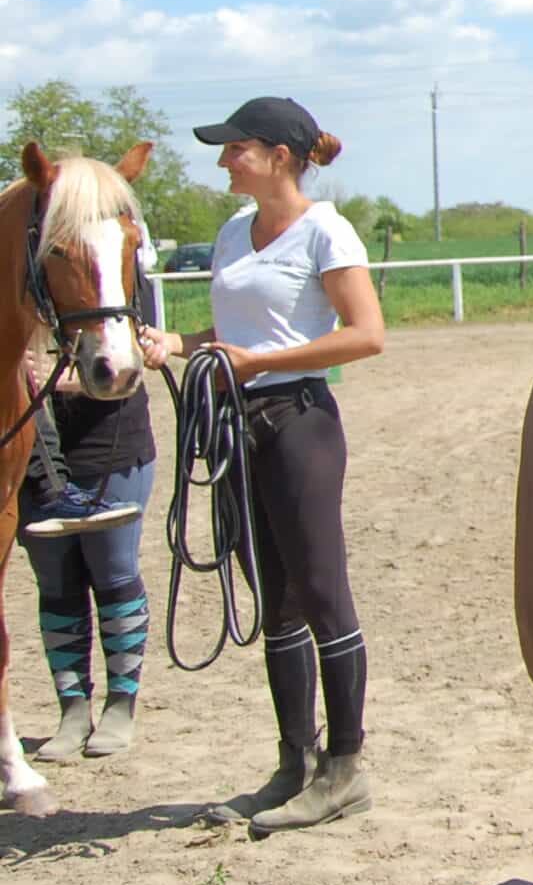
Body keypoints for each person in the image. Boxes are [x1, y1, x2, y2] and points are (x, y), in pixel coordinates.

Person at [138, 96, 387, 833]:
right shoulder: (231, 232)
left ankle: (345, 767)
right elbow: (237, 327)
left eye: (235, 148)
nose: (224, 160)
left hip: (299, 421)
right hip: (235, 424)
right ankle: (294, 762)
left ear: (280, 157)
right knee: (273, 595)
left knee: (321, 590)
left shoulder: (325, 230)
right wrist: (180, 344)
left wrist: (260, 363)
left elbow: (366, 334)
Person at [17, 337, 155, 759]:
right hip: (30, 452)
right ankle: (73, 710)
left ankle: (120, 705)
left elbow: (134, 361)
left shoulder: (110, 293)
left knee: (113, 572)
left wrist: (58, 377)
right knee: (55, 581)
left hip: (106, 440)